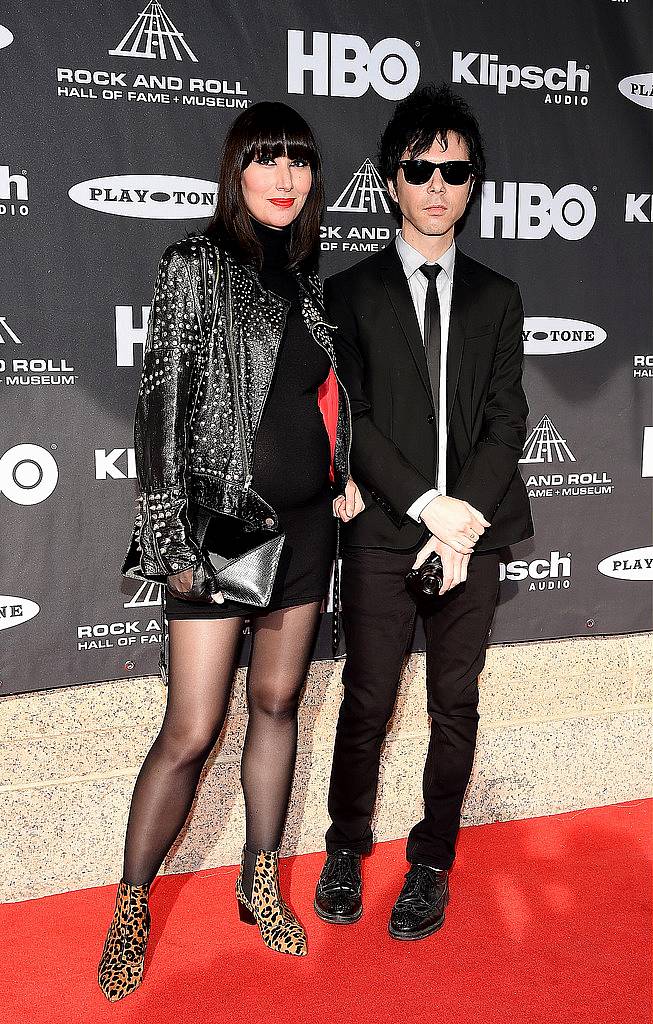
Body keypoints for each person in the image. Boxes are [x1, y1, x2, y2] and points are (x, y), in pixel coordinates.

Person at [98, 101, 362, 1001]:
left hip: (305, 528)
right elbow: (159, 407)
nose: (285, 177)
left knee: (279, 703)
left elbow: (314, 401)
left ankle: (258, 873)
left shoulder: (310, 283)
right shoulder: (195, 266)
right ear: (236, 172)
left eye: (299, 162)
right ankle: (131, 904)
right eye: (266, 159)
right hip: (220, 527)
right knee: (191, 729)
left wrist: (342, 472)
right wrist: (169, 534)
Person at [314, 84, 533, 940]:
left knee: (454, 703)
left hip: (473, 537)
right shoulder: (349, 292)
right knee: (366, 698)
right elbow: (351, 416)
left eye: (455, 169)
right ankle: (343, 843)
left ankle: (433, 857)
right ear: (391, 179)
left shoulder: (497, 296)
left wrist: (461, 517)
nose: (437, 184)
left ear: (474, 183)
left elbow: (505, 420)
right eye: (420, 168)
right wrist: (426, 505)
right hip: (384, 531)